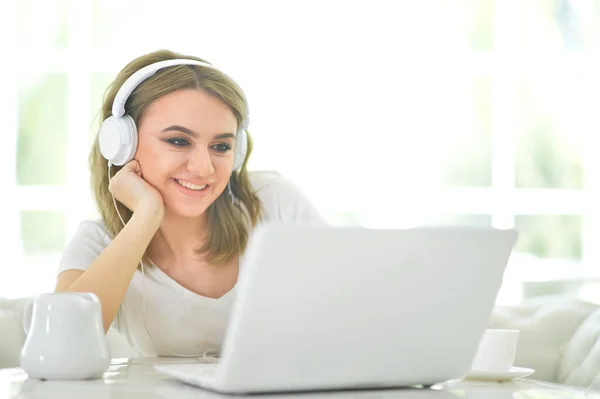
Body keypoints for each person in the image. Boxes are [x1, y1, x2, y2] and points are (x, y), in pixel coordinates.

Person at [55, 49, 327, 357]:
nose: (204, 168)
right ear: (121, 144)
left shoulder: (272, 201)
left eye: (221, 146)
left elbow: (350, 301)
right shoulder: (98, 241)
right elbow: (60, 346)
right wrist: (145, 218)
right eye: (178, 141)